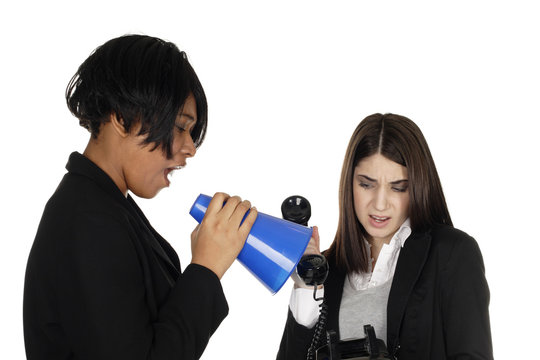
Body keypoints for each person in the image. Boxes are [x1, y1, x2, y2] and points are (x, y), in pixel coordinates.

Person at [23, 34, 258, 360]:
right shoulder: (87, 220)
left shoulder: (106, 206)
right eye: (179, 126)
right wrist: (205, 268)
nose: (190, 147)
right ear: (121, 118)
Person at [277, 113, 493, 360]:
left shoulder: (452, 254)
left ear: (418, 186)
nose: (380, 204)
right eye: (366, 185)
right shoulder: (330, 269)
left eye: (398, 187)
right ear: (349, 184)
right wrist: (306, 288)